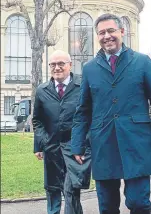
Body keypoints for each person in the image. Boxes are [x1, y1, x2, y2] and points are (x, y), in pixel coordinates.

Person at [71, 13, 151, 214]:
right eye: (101, 33)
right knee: (107, 206)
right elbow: (82, 110)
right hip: (104, 144)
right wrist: (77, 144)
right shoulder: (89, 68)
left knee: (139, 203)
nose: (106, 36)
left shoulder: (142, 62)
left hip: (137, 143)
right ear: (97, 36)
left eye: (111, 31)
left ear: (122, 32)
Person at [33, 50, 91, 214]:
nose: (57, 68)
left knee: (71, 189)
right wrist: (40, 143)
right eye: (53, 64)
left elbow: (89, 116)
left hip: (74, 149)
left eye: (61, 64)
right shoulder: (42, 90)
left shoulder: (82, 87)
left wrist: (84, 143)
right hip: (51, 148)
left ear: (70, 65)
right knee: (52, 188)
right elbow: (37, 120)